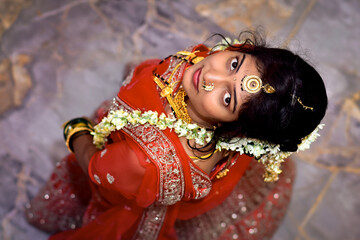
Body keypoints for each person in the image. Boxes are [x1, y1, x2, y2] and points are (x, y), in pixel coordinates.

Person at [25, 31, 328, 240]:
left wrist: (77, 132)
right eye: (234, 64)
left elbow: (96, 168)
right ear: (245, 49)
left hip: (126, 170)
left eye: (227, 99)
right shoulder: (208, 74)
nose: (210, 76)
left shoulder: (151, 160)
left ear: (236, 132)